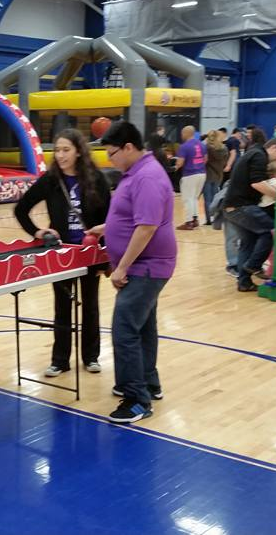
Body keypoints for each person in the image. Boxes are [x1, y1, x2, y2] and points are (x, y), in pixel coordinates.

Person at [86, 121, 177, 424]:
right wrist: (107, 228)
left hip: (146, 266)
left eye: (112, 153)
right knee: (143, 325)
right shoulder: (135, 173)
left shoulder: (147, 177)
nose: (109, 159)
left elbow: (148, 226)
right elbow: (132, 216)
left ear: (128, 147)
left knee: (124, 328)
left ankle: (137, 400)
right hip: (145, 265)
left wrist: (121, 266)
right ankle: (148, 383)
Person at [14, 128, 111, 377]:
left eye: (66, 149)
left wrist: (106, 257)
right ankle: (60, 360)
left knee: (90, 305)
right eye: (57, 150)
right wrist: (37, 232)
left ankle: (91, 357)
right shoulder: (50, 180)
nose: (60, 155)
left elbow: (110, 218)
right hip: (62, 255)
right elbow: (21, 209)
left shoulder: (97, 179)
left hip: (90, 254)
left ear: (79, 151)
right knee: (62, 306)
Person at [223, 132, 276, 292]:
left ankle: (244, 282)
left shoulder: (253, 152)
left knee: (248, 242)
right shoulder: (259, 155)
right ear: (273, 148)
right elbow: (257, 183)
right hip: (242, 206)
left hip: (231, 207)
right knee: (270, 231)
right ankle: (254, 266)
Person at [174, 125, 206, 230]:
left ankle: (188, 222)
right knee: (195, 198)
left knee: (188, 199)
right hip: (202, 173)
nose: (181, 135)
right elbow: (205, 159)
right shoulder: (201, 145)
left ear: (186, 133)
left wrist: (175, 166)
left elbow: (180, 163)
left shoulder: (184, 146)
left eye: (182, 133)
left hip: (190, 174)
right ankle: (195, 220)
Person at [204, 130, 228, 226]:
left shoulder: (207, 148)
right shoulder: (224, 148)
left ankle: (208, 219)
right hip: (219, 174)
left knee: (208, 199)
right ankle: (215, 217)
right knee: (216, 198)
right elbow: (225, 162)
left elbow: (204, 161)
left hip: (208, 174)